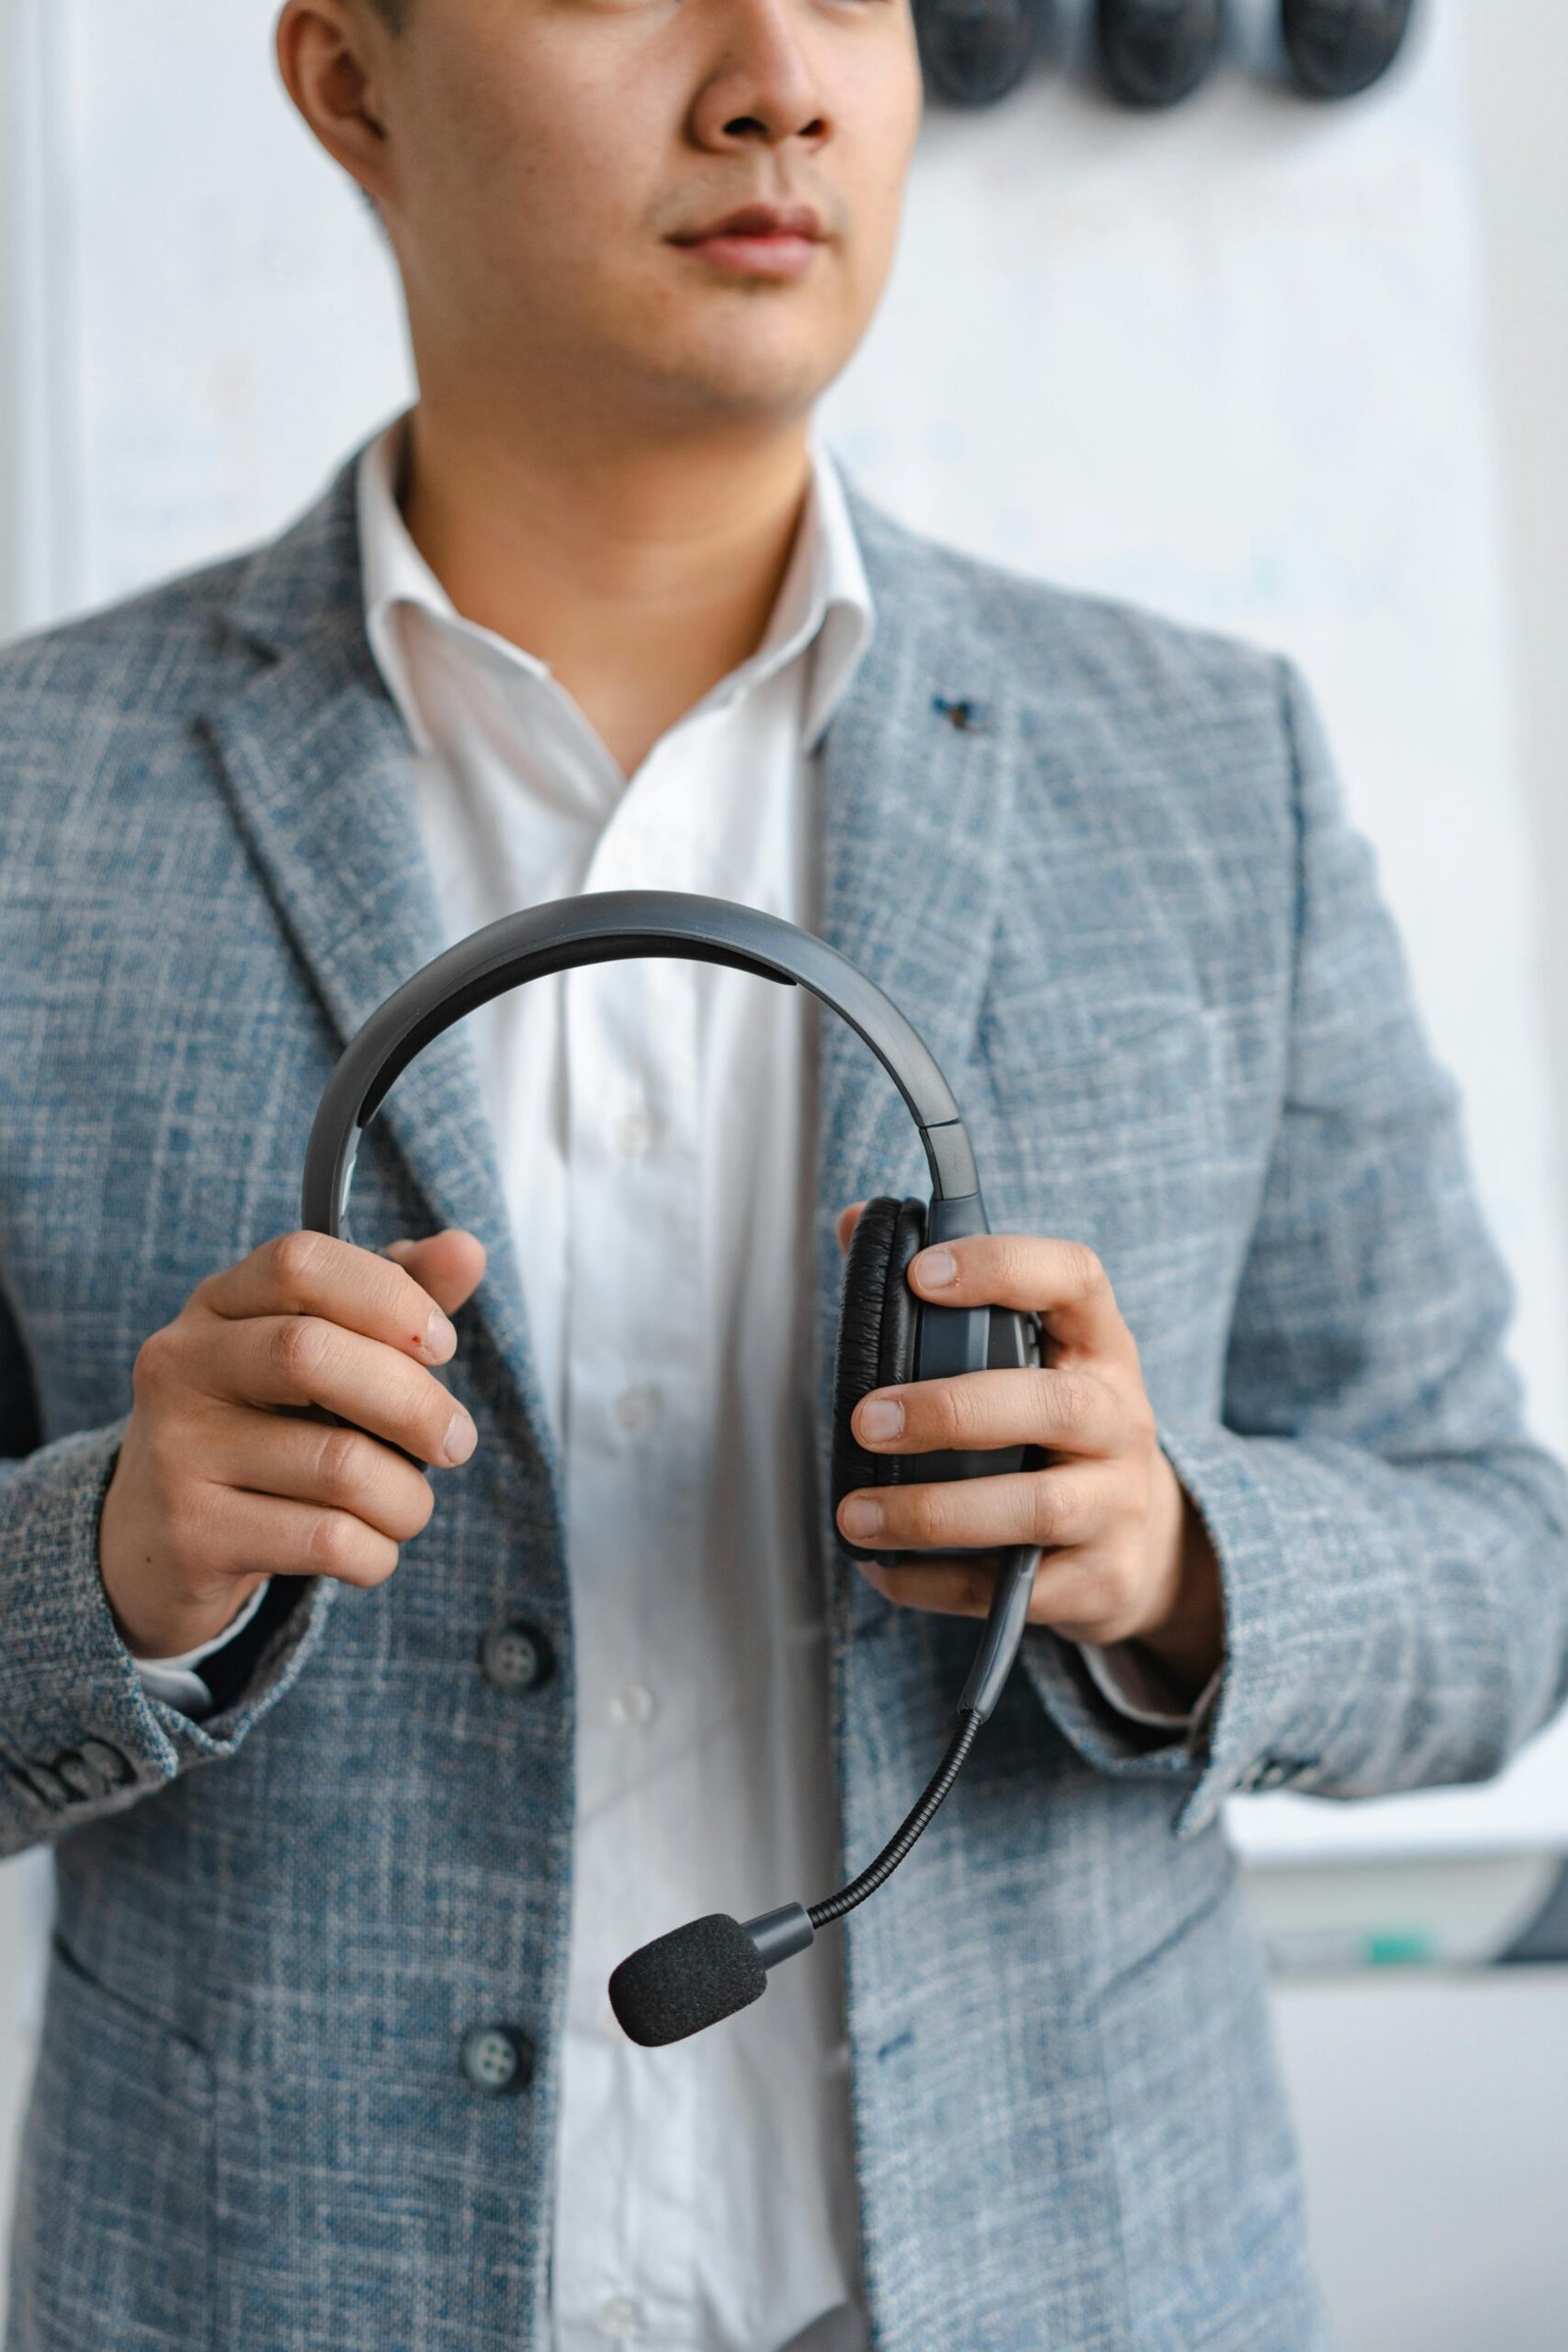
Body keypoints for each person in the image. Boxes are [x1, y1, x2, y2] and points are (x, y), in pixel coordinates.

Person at [2, 0, 1565, 2343]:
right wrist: (109, 1561)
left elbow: (1497, 1573)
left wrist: (1173, 1559)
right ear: (349, 85)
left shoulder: (1203, 766)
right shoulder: (33, 800)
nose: (780, 80)